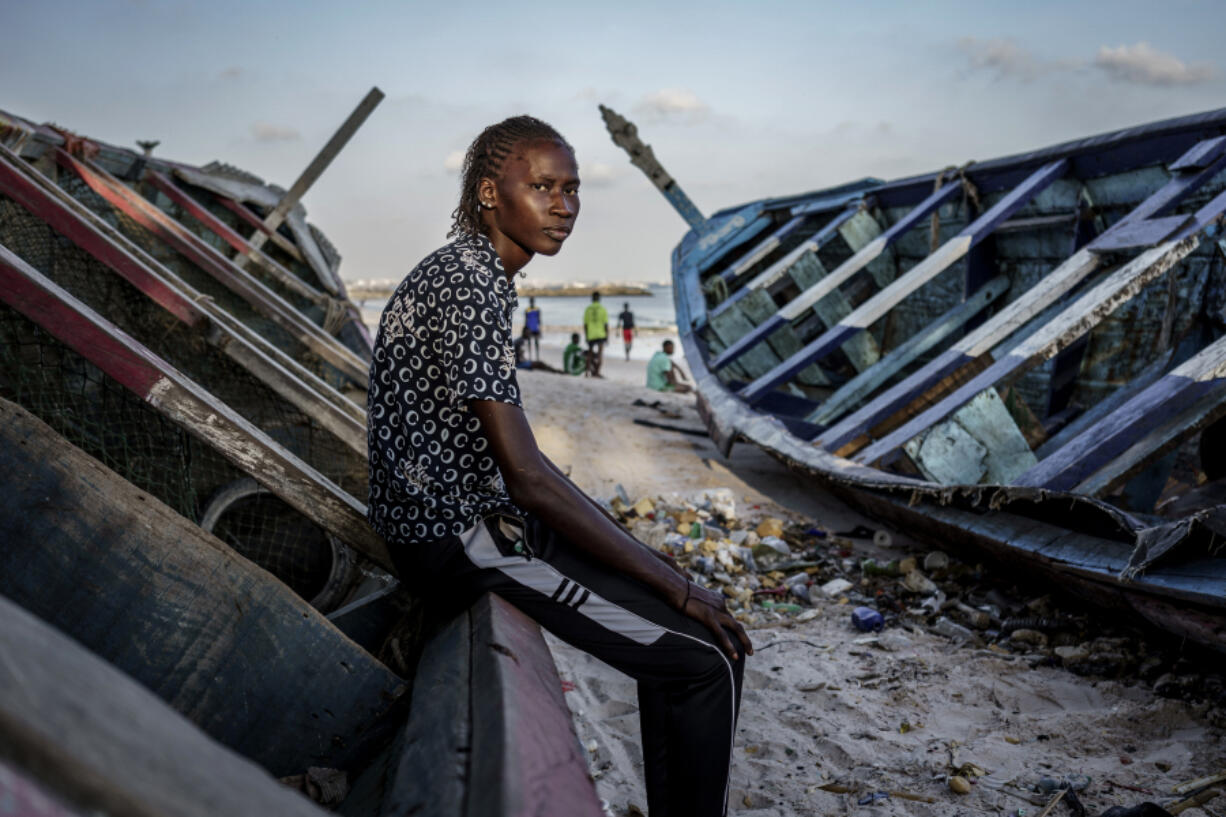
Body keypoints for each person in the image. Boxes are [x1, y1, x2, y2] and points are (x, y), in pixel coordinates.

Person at [366, 115, 749, 817]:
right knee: (706, 661)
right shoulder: (470, 282)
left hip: (481, 520)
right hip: (457, 539)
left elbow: (528, 470)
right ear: (489, 191)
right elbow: (528, 476)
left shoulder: (475, 271)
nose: (564, 205)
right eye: (543, 187)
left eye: (572, 189)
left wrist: (661, 573)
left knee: (703, 638)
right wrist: (675, 580)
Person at [582, 291, 608, 378]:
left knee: (589, 354)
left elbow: (585, 324)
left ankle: (587, 372)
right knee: (600, 354)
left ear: (592, 298)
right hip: (601, 334)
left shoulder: (588, 309)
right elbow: (605, 324)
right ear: (599, 298)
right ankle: (597, 372)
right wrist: (607, 336)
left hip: (591, 334)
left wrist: (586, 336)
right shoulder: (602, 309)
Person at [523, 296, 542, 360]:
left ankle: (537, 357)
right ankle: (531, 357)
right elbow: (526, 320)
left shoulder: (537, 309)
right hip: (530, 328)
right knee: (530, 342)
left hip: (535, 328)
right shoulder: (527, 310)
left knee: (536, 342)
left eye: (532, 301)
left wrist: (540, 329)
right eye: (531, 301)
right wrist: (525, 329)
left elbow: (539, 320)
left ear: (533, 301)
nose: (531, 302)